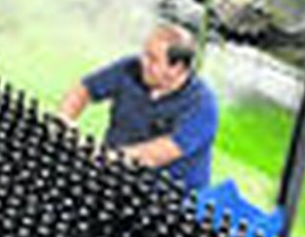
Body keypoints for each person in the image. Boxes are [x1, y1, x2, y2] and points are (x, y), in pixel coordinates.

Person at [59, 23, 219, 194]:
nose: (143, 62)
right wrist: (64, 120)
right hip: (113, 174)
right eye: (145, 53)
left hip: (166, 197)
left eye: (153, 59)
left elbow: (161, 152)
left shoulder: (202, 105)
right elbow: (84, 89)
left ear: (176, 68)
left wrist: (106, 157)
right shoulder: (129, 69)